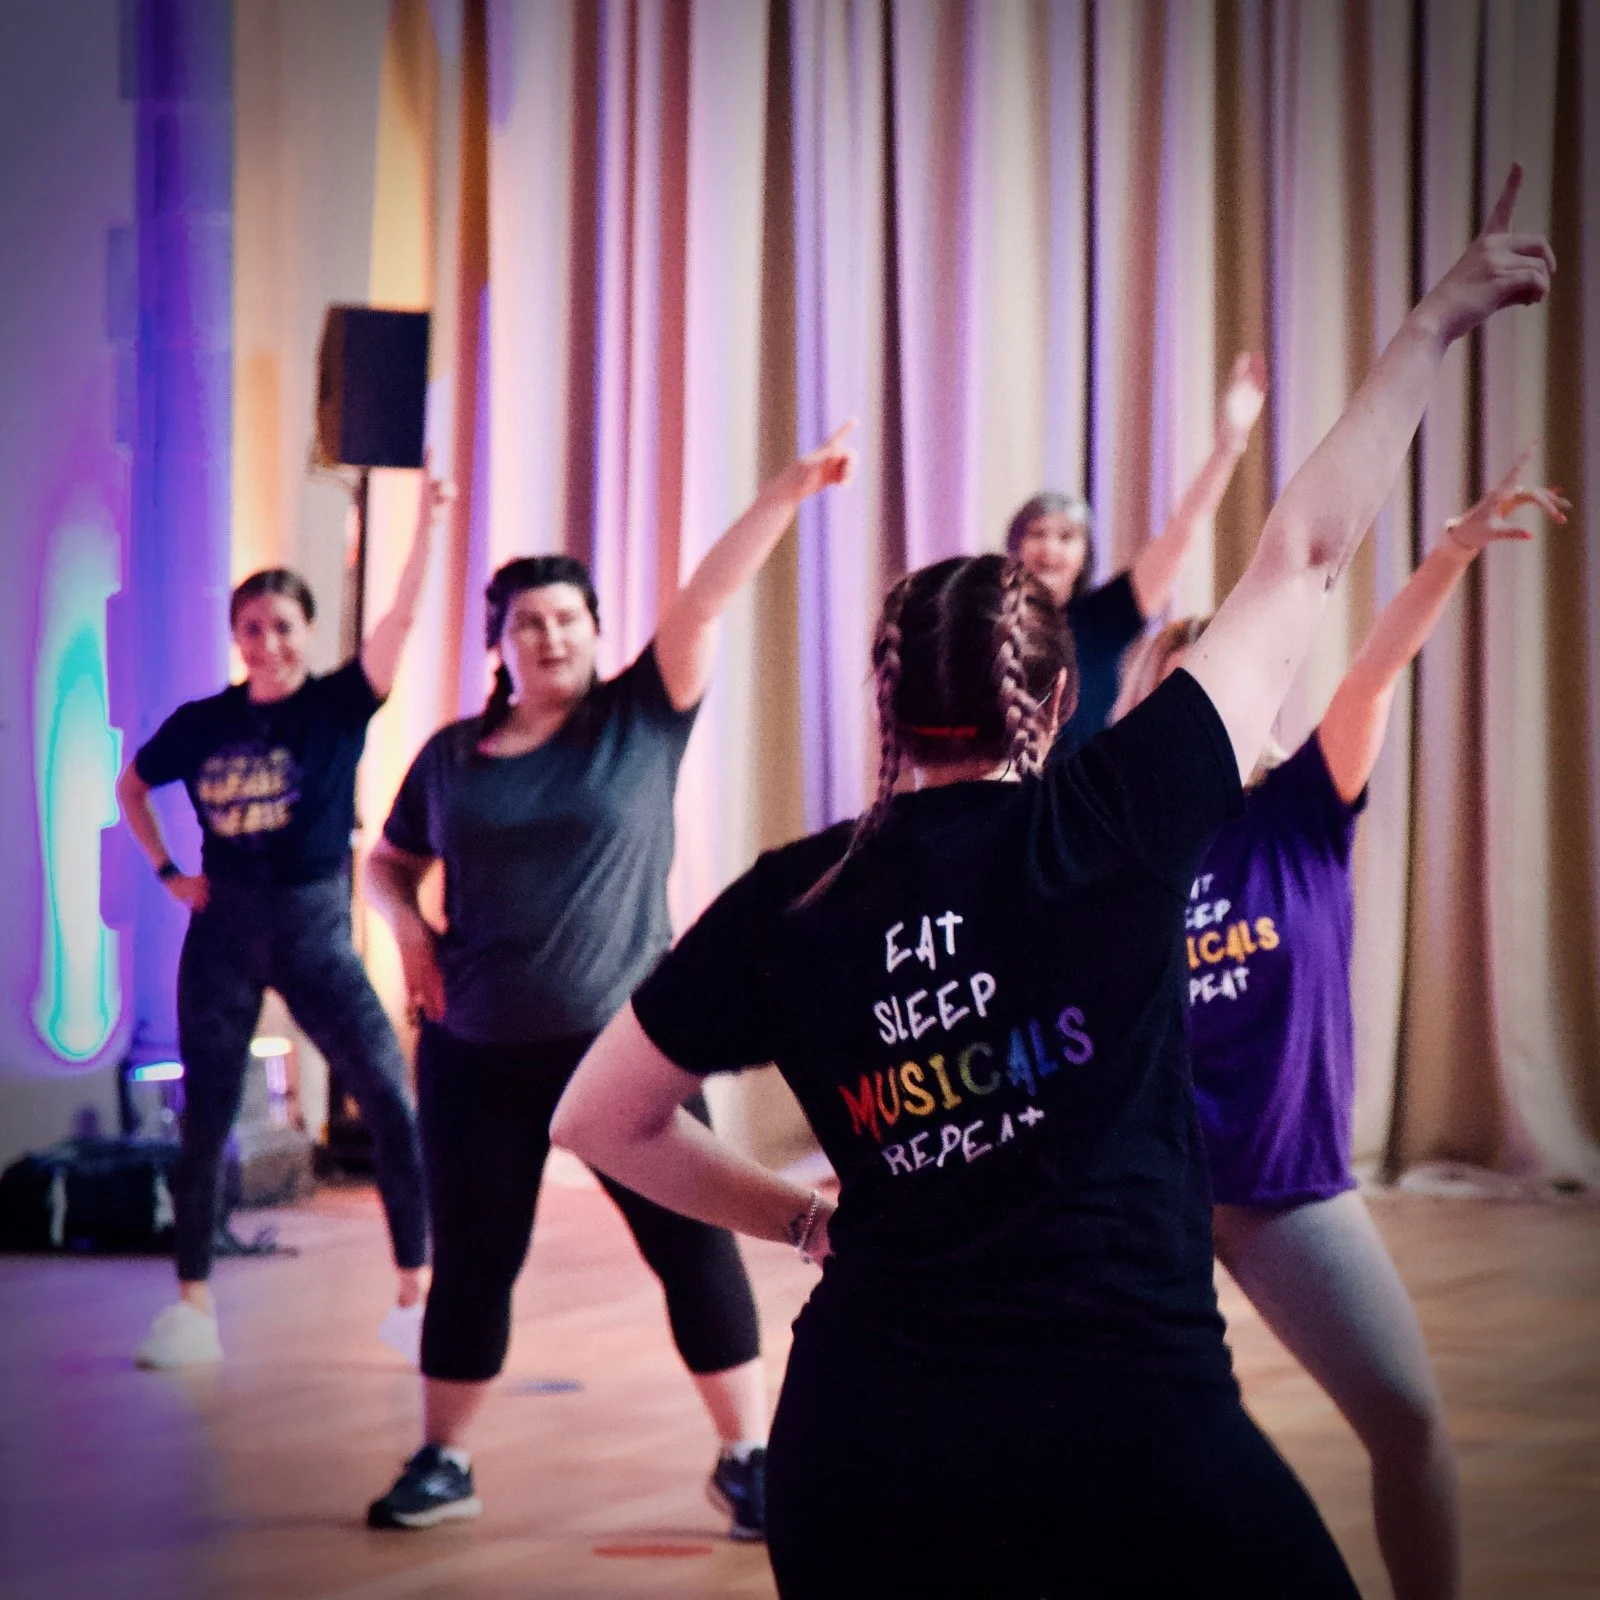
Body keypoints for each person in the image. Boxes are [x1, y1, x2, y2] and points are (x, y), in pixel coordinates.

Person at [549, 165, 1551, 1597]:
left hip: (861, 1450)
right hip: (1125, 1429)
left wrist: (807, 1219)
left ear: (887, 701)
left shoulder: (791, 898)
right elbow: (1308, 552)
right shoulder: (1118, 814)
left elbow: (598, 1116)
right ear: (1060, 694)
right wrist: (1434, 321)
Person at [361, 425, 858, 1537]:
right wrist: (409, 935)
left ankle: (747, 1458)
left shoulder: (639, 717)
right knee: (474, 1260)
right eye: (527, 622)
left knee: (693, 1248)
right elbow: (387, 864)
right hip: (474, 1051)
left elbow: (705, 599)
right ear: (499, 642)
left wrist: (786, 489)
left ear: (596, 630)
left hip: (625, 1048)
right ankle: (444, 1459)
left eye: (568, 617)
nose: (549, 634)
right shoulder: (449, 757)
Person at [1111, 445, 1567, 1600]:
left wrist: (1448, 554)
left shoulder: (1301, 808)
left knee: (1406, 1416)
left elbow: (1374, 668)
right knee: (1102, 1446)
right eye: (1178, 691)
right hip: (1149, 1193)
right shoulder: (1115, 844)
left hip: (1285, 1189)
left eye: (1220, 687)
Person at [117, 463, 455, 1370]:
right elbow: (131, 785)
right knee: (205, 1117)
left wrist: (428, 527)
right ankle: (192, 1308)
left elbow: (398, 624)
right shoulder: (202, 722)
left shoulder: (337, 707)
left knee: (389, 1098)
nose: (267, 642)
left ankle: (415, 1296)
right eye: (252, 628)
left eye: (282, 626)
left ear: (306, 632)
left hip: (313, 931)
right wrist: (168, 872)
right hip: (223, 933)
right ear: (236, 637)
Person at [1008, 350, 1267, 749]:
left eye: (1066, 537)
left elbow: (1182, 533)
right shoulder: (992, 619)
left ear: (1085, 554)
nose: (1050, 549)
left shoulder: (1103, 617)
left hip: (1083, 786)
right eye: (1037, 533)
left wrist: (1228, 446)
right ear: (1015, 546)